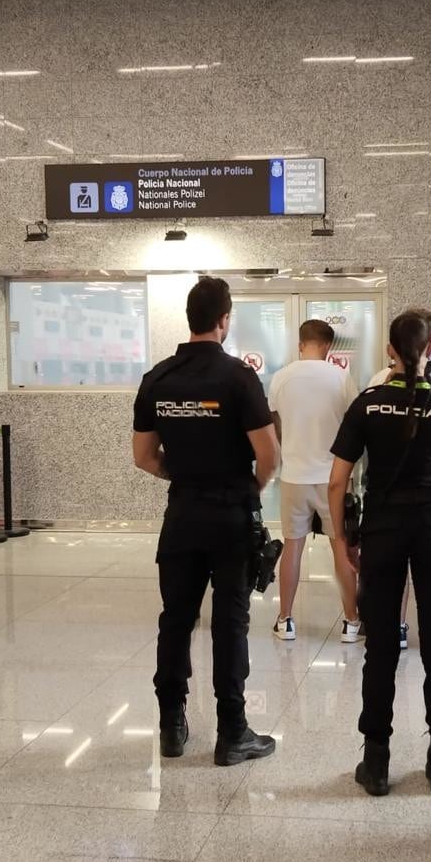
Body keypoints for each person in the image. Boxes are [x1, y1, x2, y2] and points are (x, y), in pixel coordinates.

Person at [132, 276, 280, 766]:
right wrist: (249, 488)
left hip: (182, 515)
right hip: (231, 517)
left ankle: (172, 725)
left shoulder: (158, 377)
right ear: (224, 319)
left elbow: (144, 456)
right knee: (229, 623)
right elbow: (269, 456)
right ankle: (232, 731)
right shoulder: (239, 378)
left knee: (175, 619)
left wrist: (183, 472)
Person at [330, 311, 431, 796]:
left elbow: (339, 480)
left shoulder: (367, 404)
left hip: (383, 529)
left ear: (389, 350)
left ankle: (378, 761)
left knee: (381, 646)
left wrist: (343, 540)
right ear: (430, 350)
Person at [366, 307, 431, 652]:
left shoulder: (376, 381)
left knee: (391, 566)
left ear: (392, 347)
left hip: (387, 493)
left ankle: (395, 626)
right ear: (430, 344)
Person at [267, 319, 360, 645]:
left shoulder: (281, 378)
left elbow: (275, 426)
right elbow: (354, 424)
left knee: (293, 546)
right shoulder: (341, 377)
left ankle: (285, 620)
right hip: (333, 477)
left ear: (300, 343)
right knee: (341, 548)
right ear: (328, 347)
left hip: (293, 476)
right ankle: (351, 622)